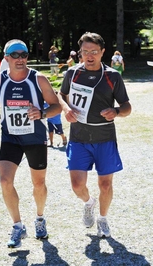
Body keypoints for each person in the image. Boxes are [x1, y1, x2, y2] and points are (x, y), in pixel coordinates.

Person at [0, 39, 62, 248]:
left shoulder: (39, 79)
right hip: (11, 138)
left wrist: (43, 113)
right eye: (15, 55)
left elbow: (57, 106)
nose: (20, 59)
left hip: (34, 138)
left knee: (38, 184)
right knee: (5, 181)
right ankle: (18, 226)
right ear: (6, 58)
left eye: (24, 54)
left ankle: (40, 218)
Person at [58, 32, 131, 238]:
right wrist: (65, 109)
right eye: (85, 52)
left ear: (102, 53)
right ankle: (89, 203)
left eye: (94, 52)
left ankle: (103, 219)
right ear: (80, 52)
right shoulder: (72, 74)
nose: (89, 56)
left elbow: (127, 106)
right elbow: (61, 95)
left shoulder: (112, 76)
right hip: (79, 137)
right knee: (77, 184)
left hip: (104, 138)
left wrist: (116, 111)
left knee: (105, 184)